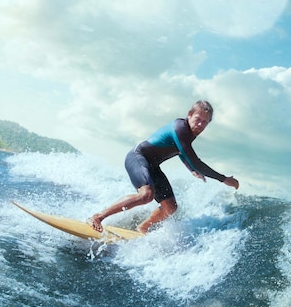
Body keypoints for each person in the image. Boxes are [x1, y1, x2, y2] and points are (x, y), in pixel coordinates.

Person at [87, 100, 239, 234]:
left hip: (152, 165)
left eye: (205, 122)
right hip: (138, 157)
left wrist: (191, 169)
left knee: (170, 207)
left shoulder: (190, 132)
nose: (200, 124)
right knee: (146, 195)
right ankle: (97, 217)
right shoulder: (180, 128)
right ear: (189, 114)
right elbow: (195, 160)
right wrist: (224, 179)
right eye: (198, 119)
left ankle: (143, 228)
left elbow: (181, 151)